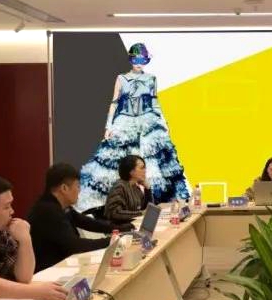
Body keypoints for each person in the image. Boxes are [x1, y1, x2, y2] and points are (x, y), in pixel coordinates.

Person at [77, 42, 190, 212]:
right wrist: (108, 126)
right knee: (115, 162)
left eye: (142, 59)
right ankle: (116, 206)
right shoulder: (121, 78)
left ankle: (158, 205)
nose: (139, 63)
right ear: (131, 59)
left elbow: (154, 102)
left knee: (157, 162)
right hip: (125, 122)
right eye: (136, 59)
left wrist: (163, 121)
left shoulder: (151, 79)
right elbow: (114, 102)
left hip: (147, 122)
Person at [28, 163, 133, 273]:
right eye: (78, 186)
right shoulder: (48, 211)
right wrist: (113, 241)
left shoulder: (59, 205)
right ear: (64, 188)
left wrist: (120, 229)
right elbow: (76, 245)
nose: (79, 190)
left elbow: (85, 222)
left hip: (61, 265)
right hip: (48, 272)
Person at [104, 155, 154, 223]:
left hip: (133, 225)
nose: (145, 171)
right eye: (142, 168)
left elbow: (148, 210)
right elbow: (114, 213)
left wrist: (148, 189)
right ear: (131, 171)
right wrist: (141, 213)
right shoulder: (119, 187)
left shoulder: (136, 187)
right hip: (120, 228)